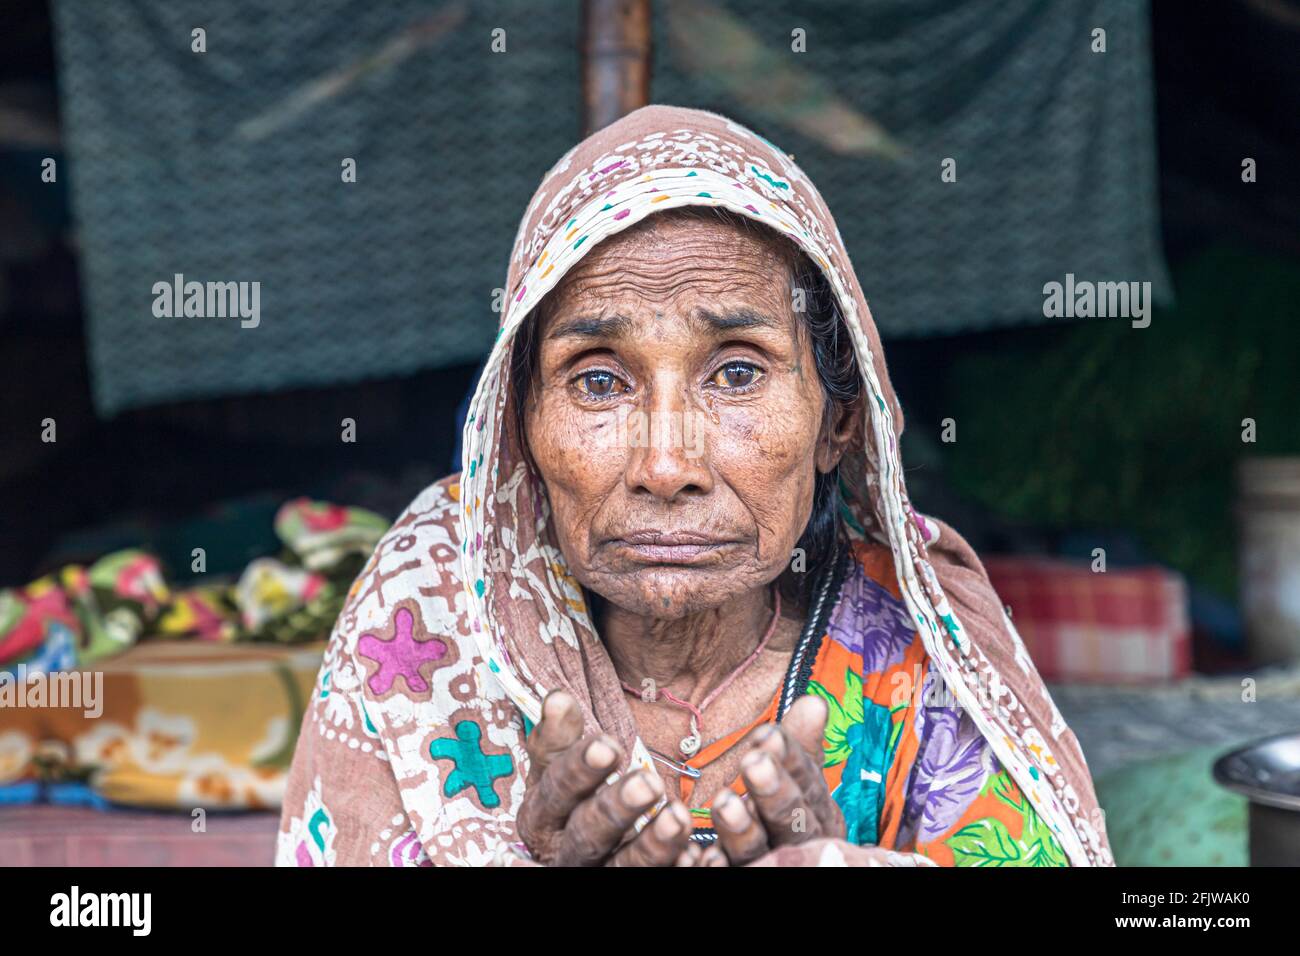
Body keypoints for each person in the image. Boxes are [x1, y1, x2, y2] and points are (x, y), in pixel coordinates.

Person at [278, 105, 1112, 867]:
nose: (666, 467)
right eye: (598, 381)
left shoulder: (923, 656)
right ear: (519, 429)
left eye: (738, 372)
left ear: (838, 423)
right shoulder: (426, 615)